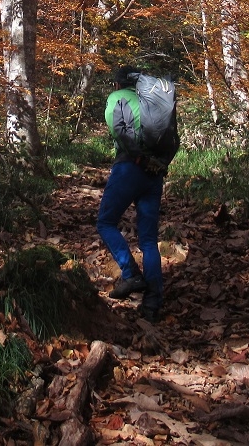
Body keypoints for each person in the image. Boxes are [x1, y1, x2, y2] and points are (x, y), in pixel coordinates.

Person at [97, 66, 175, 322]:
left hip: (130, 168)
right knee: (149, 241)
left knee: (106, 222)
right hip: (155, 174)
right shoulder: (153, 101)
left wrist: (136, 156)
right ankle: (153, 304)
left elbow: (117, 130)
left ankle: (130, 274)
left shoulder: (116, 98)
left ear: (117, 83)